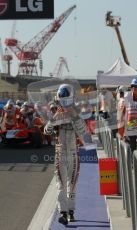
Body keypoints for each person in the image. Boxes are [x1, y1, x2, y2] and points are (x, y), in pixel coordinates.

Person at [44, 83, 92, 226]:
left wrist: (73, 116)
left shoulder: (77, 112)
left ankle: (71, 211)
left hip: (73, 153)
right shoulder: (55, 111)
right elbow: (46, 131)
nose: (63, 101)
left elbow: (84, 132)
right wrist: (55, 118)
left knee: (72, 185)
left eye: (66, 97)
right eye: (61, 97)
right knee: (60, 185)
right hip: (60, 153)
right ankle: (63, 213)